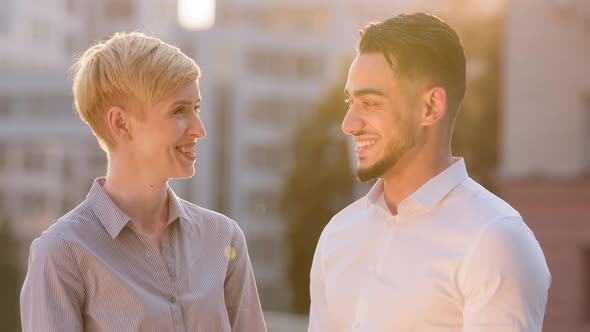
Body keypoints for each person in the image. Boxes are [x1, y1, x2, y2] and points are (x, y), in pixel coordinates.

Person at [308, 13, 550, 331]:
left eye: (370, 103)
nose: (349, 124)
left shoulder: (496, 241)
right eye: (350, 101)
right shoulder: (338, 236)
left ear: (431, 107)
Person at [20, 32, 266, 332]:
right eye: (179, 111)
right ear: (121, 123)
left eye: (196, 108)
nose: (199, 129)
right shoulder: (61, 254)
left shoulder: (224, 239)